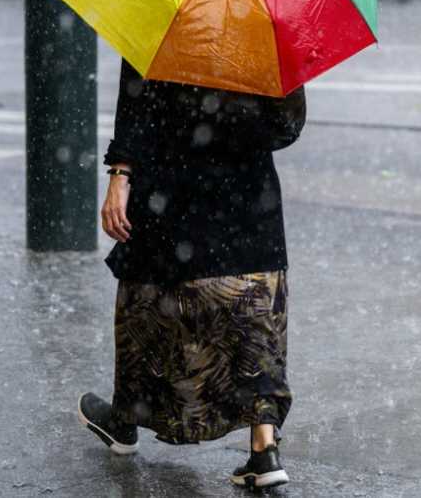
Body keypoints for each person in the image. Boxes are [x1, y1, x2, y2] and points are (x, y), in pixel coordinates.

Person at [77, 60, 307, 490]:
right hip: (247, 196)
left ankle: (125, 420)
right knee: (256, 317)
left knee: (146, 308)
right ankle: (263, 447)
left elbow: (136, 105)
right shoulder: (266, 30)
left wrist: (120, 175)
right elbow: (286, 129)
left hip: (171, 186)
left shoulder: (162, 14)